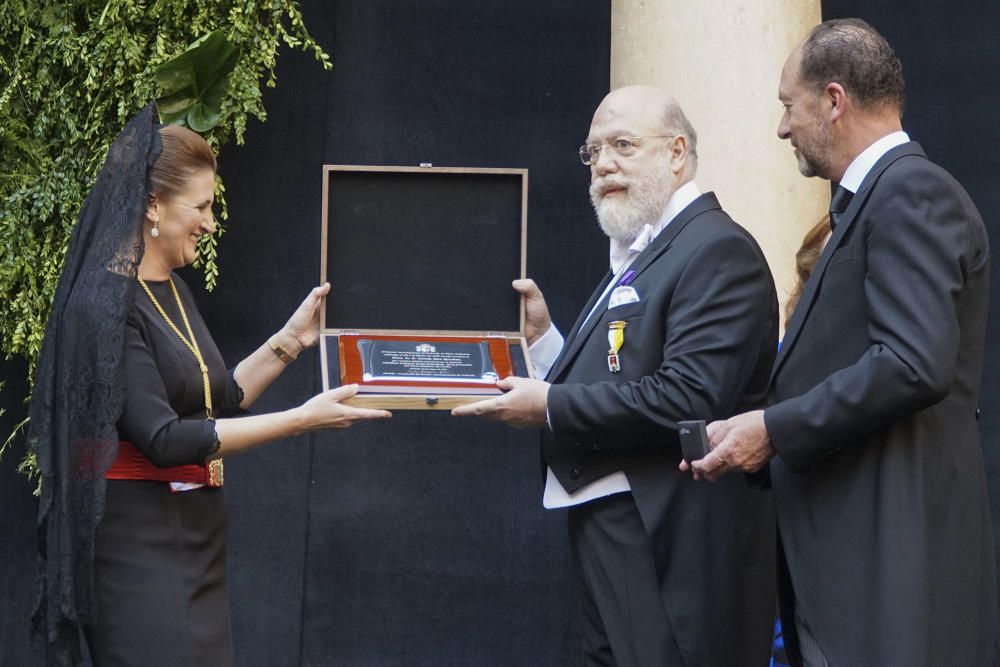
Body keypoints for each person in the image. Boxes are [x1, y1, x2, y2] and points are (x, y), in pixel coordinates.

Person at [27, 104, 391, 666]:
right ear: (152, 206)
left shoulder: (170, 287)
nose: (211, 221)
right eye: (201, 206)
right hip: (137, 550)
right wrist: (301, 421)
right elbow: (165, 439)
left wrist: (290, 341)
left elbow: (216, 398)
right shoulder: (102, 305)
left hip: (196, 539)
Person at [687, 19, 996, 666]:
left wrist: (774, 427)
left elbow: (913, 362)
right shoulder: (879, 200)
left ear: (833, 100)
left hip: (889, 572)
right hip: (862, 567)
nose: (780, 128)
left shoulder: (910, 191)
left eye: (786, 106)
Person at [453, 85, 778, 665]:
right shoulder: (644, 251)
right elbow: (621, 377)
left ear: (677, 152)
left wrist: (549, 405)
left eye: (623, 145)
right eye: (593, 151)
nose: (603, 164)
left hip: (670, 540)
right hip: (616, 525)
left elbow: (688, 398)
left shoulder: (716, 249)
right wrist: (547, 341)